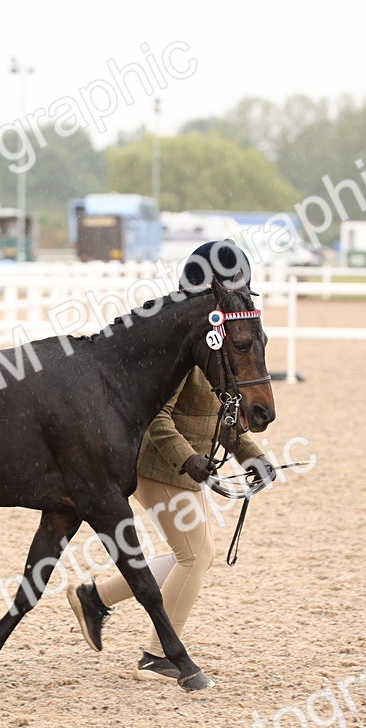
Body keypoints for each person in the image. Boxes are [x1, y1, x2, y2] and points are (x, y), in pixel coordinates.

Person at [66, 242, 274, 682]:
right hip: (158, 465)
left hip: (182, 465)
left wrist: (252, 455)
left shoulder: (218, 346)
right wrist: (189, 460)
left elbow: (222, 416)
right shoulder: (184, 347)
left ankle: (95, 597)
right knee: (197, 555)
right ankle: (161, 655)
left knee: (187, 554)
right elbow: (158, 418)